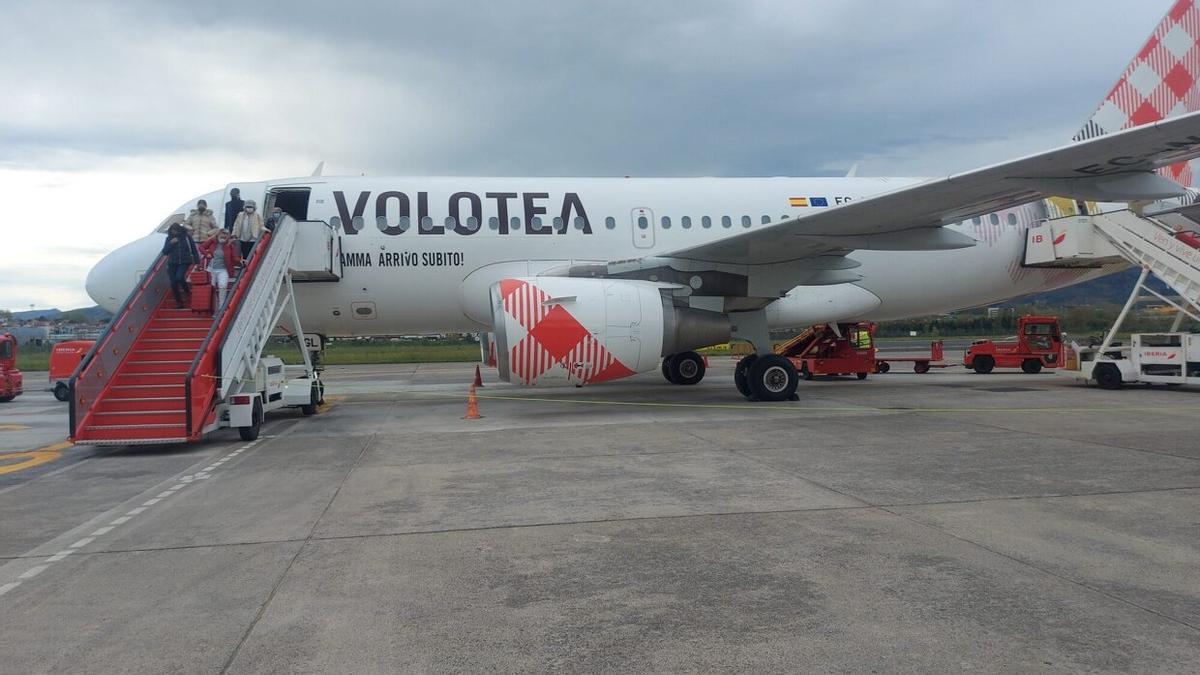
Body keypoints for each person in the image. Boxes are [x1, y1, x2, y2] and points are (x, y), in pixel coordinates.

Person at [198, 229, 242, 309]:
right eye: (222, 236)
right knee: (212, 289)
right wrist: (206, 253)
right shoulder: (212, 242)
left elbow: (235, 258)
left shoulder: (229, 246)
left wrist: (241, 261)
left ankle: (221, 307)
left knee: (222, 286)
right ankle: (214, 308)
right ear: (218, 235)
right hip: (211, 269)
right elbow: (201, 247)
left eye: (225, 237)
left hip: (223, 269)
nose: (223, 238)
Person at [161, 223, 199, 308]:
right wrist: (171, 243)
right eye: (172, 231)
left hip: (184, 261)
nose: (174, 232)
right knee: (173, 283)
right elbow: (164, 252)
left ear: (179, 230)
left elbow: (194, 250)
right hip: (172, 263)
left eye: (175, 230)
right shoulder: (169, 238)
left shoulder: (186, 237)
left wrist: (197, 263)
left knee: (180, 277)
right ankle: (179, 302)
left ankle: (187, 292)